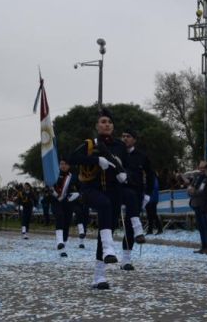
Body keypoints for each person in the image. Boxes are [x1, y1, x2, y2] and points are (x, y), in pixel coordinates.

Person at [69, 108, 126, 289]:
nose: (106, 124)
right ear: (97, 126)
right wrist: (95, 161)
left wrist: (123, 174)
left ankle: (99, 277)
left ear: (113, 126)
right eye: (103, 122)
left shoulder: (119, 146)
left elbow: (127, 167)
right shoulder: (90, 144)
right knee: (104, 205)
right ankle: (109, 250)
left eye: (109, 122)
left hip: (113, 191)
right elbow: (72, 158)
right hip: (91, 189)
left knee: (106, 228)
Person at [118, 127, 154, 270]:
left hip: (137, 192)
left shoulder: (141, 156)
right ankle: (139, 229)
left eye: (128, 136)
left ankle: (126, 260)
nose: (125, 138)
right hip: (120, 191)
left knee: (129, 228)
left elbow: (150, 175)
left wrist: (148, 194)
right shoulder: (117, 154)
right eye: (123, 136)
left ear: (134, 139)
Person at [52, 158, 80, 258]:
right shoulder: (54, 175)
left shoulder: (73, 177)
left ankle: (63, 247)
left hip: (68, 203)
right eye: (61, 164)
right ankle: (59, 242)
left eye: (65, 164)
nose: (63, 166)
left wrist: (77, 194)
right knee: (59, 217)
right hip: (56, 202)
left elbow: (81, 188)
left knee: (67, 223)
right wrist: (52, 192)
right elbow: (49, 187)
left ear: (69, 166)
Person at [188, 162, 207, 253]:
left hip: (203, 205)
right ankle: (203, 246)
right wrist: (191, 190)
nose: (202, 169)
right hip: (195, 204)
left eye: (204, 167)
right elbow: (189, 189)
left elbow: (201, 192)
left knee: (206, 226)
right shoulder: (196, 177)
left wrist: (193, 191)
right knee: (201, 227)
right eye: (200, 167)